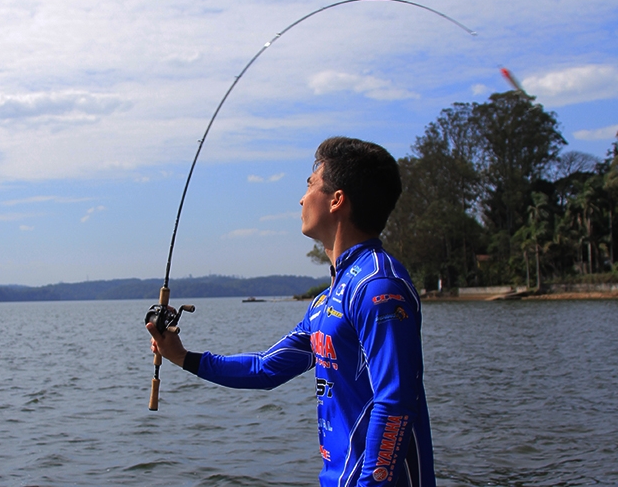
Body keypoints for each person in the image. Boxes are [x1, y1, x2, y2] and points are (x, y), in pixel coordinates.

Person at [146, 137, 434, 487]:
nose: (301, 197)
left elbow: (396, 401)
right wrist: (182, 357)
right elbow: (265, 369)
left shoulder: (378, 287)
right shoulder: (327, 302)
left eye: (310, 185)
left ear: (337, 200)